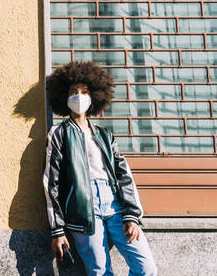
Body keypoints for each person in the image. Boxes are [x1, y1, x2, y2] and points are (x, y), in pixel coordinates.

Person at [43, 61, 157, 276]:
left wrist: (132, 215)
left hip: (115, 205)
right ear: (64, 98)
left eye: (85, 91)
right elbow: (51, 183)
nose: (79, 96)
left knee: (146, 269)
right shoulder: (58, 134)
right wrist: (57, 230)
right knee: (100, 272)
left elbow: (124, 175)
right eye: (73, 92)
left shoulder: (105, 135)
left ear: (93, 96)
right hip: (83, 209)